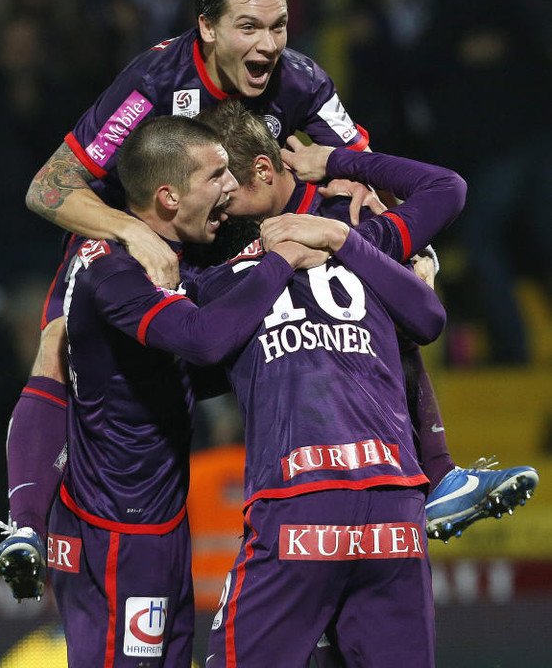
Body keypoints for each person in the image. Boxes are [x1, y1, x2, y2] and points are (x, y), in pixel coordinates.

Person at [0, 0, 530, 602]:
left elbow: (366, 176)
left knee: (366, 285)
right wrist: (133, 233)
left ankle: (438, 476)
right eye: (248, 27)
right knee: (58, 342)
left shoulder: (300, 81)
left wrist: (412, 259)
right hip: (137, 238)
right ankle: (24, 524)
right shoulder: (154, 81)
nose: (268, 45)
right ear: (207, 28)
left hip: (228, 243)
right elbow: (49, 187)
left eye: (277, 27)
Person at [42, 114, 323, 667]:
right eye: (216, 175)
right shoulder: (114, 271)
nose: (230, 186)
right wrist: (283, 259)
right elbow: (204, 341)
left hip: (161, 518)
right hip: (117, 526)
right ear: (169, 197)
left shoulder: (177, 259)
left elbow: (200, 361)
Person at [188, 108, 462, 667]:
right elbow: (431, 309)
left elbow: (192, 355)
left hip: (297, 501)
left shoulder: (213, 285)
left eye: (225, 192)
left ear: (262, 171)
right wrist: (342, 179)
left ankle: (450, 473)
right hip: (395, 508)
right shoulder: (363, 241)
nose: (220, 209)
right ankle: (448, 475)